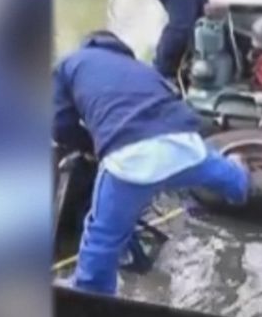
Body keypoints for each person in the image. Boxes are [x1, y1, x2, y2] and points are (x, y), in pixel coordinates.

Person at [53, 30, 250, 295]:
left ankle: (92, 296)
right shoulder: (139, 67)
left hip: (130, 158)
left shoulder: (68, 64)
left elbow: (59, 125)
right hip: (183, 143)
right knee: (226, 174)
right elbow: (172, 100)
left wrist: (91, 147)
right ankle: (241, 185)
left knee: (101, 238)